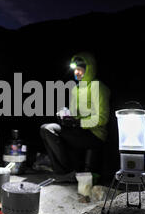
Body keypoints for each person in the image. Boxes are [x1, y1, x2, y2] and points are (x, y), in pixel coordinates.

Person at [40, 52, 110, 182]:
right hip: (77, 130)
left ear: (88, 69)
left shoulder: (98, 87)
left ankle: (69, 172)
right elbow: (74, 114)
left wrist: (79, 123)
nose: (76, 72)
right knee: (46, 129)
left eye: (80, 69)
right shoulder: (75, 89)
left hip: (94, 134)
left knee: (53, 130)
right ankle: (63, 172)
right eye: (75, 69)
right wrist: (65, 115)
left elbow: (102, 118)